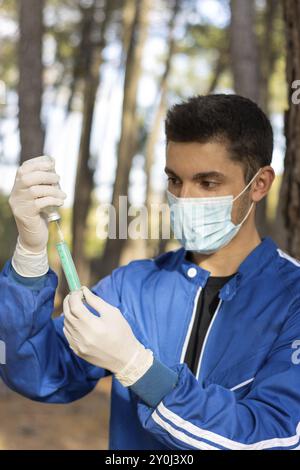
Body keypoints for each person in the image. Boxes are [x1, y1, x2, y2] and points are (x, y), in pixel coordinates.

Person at [1, 94, 300, 450]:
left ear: (260, 184)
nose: (184, 198)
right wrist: (31, 253)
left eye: (207, 183)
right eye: (175, 180)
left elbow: (274, 435)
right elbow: (34, 371)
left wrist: (138, 368)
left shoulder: (292, 299)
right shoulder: (133, 287)